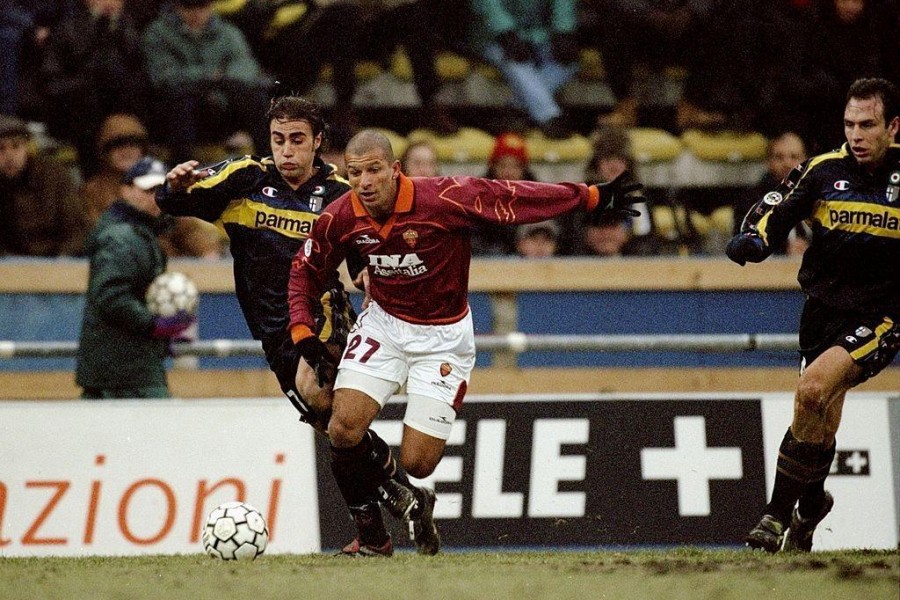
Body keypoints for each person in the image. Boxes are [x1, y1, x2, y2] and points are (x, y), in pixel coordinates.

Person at [287, 128, 646, 555]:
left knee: (419, 462)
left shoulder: (445, 198)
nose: (364, 182)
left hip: (443, 338)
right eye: (355, 173)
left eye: (374, 170)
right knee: (342, 427)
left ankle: (415, 497)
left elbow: (512, 197)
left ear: (395, 170)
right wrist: (301, 330)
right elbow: (303, 269)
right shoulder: (342, 214)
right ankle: (372, 539)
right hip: (383, 325)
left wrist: (588, 196)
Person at [155, 96, 421, 557]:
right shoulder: (245, 179)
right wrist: (174, 186)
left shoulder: (341, 193)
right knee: (333, 428)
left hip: (321, 317)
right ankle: (386, 511)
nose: (287, 151)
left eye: (297, 140)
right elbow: (177, 201)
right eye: (278, 140)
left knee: (321, 398)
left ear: (318, 142)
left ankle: (390, 504)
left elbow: (364, 257)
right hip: (270, 331)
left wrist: (369, 277)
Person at [726, 78, 900, 553]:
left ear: (893, 127)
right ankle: (810, 508)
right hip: (822, 311)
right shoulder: (823, 171)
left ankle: (774, 516)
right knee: (817, 414)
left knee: (814, 388)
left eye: (868, 124)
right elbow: (775, 208)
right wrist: (756, 239)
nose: (857, 134)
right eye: (850, 124)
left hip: (883, 314)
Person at [75, 156, 196, 399]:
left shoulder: (141, 233)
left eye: (160, 190)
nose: (155, 197)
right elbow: (111, 297)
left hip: (124, 370)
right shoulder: (121, 238)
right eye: (148, 189)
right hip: (123, 375)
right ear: (126, 190)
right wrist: (153, 325)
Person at [80, 113, 225, 259]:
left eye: (133, 144)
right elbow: (97, 238)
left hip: (166, 264)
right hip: (123, 261)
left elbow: (189, 230)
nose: (126, 151)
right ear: (105, 151)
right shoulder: (92, 192)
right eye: (117, 145)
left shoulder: (161, 181)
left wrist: (208, 252)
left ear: (142, 149)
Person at [142, 0, 269, 163]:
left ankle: (268, 162)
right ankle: (181, 168)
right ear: (177, 7)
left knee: (253, 96)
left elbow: (246, 67)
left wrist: (220, 82)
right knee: (180, 99)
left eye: (202, 7)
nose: (196, 13)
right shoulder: (158, 32)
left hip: (221, 103)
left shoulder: (227, 32)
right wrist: (209, 76)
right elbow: (163, 75)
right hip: (181, 107)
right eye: (189, 7)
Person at [41, 0, 150, 177]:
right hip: (80, 109)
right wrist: (87, 80)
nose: (110, 3)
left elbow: (143, 74)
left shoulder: (134, 28)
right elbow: (52, 82)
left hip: (123, 107)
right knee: (87, 105)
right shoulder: (67, 30)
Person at [468, 0, 580, 138]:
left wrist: (563, 31)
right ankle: (550, 117)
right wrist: (507, 33)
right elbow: (489, 6)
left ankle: (515, 109)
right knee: (516, 62)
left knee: (569, 63)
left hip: (539, 34)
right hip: (493, 35)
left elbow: (563, 4)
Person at [0, 114, 88, 257]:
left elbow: (76, 228)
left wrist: (62, 258)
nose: (9, 156)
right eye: (1, 148)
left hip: (55, 261)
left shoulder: (54, 176)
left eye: (16, 146)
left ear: (27, 147)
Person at [732, 131, 810, 256]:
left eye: (794, 157)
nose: (787, 163)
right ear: (768, 162)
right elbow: (744, 246)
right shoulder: (750, 202)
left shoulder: (823, 197)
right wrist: (784, 250)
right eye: (779, 157)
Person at [472, 132, 538, 256]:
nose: (508, 172)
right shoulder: (478, 196)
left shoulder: (537, 196)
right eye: (503, 165)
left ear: (524, 169)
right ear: (493, 167)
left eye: (515, 166)